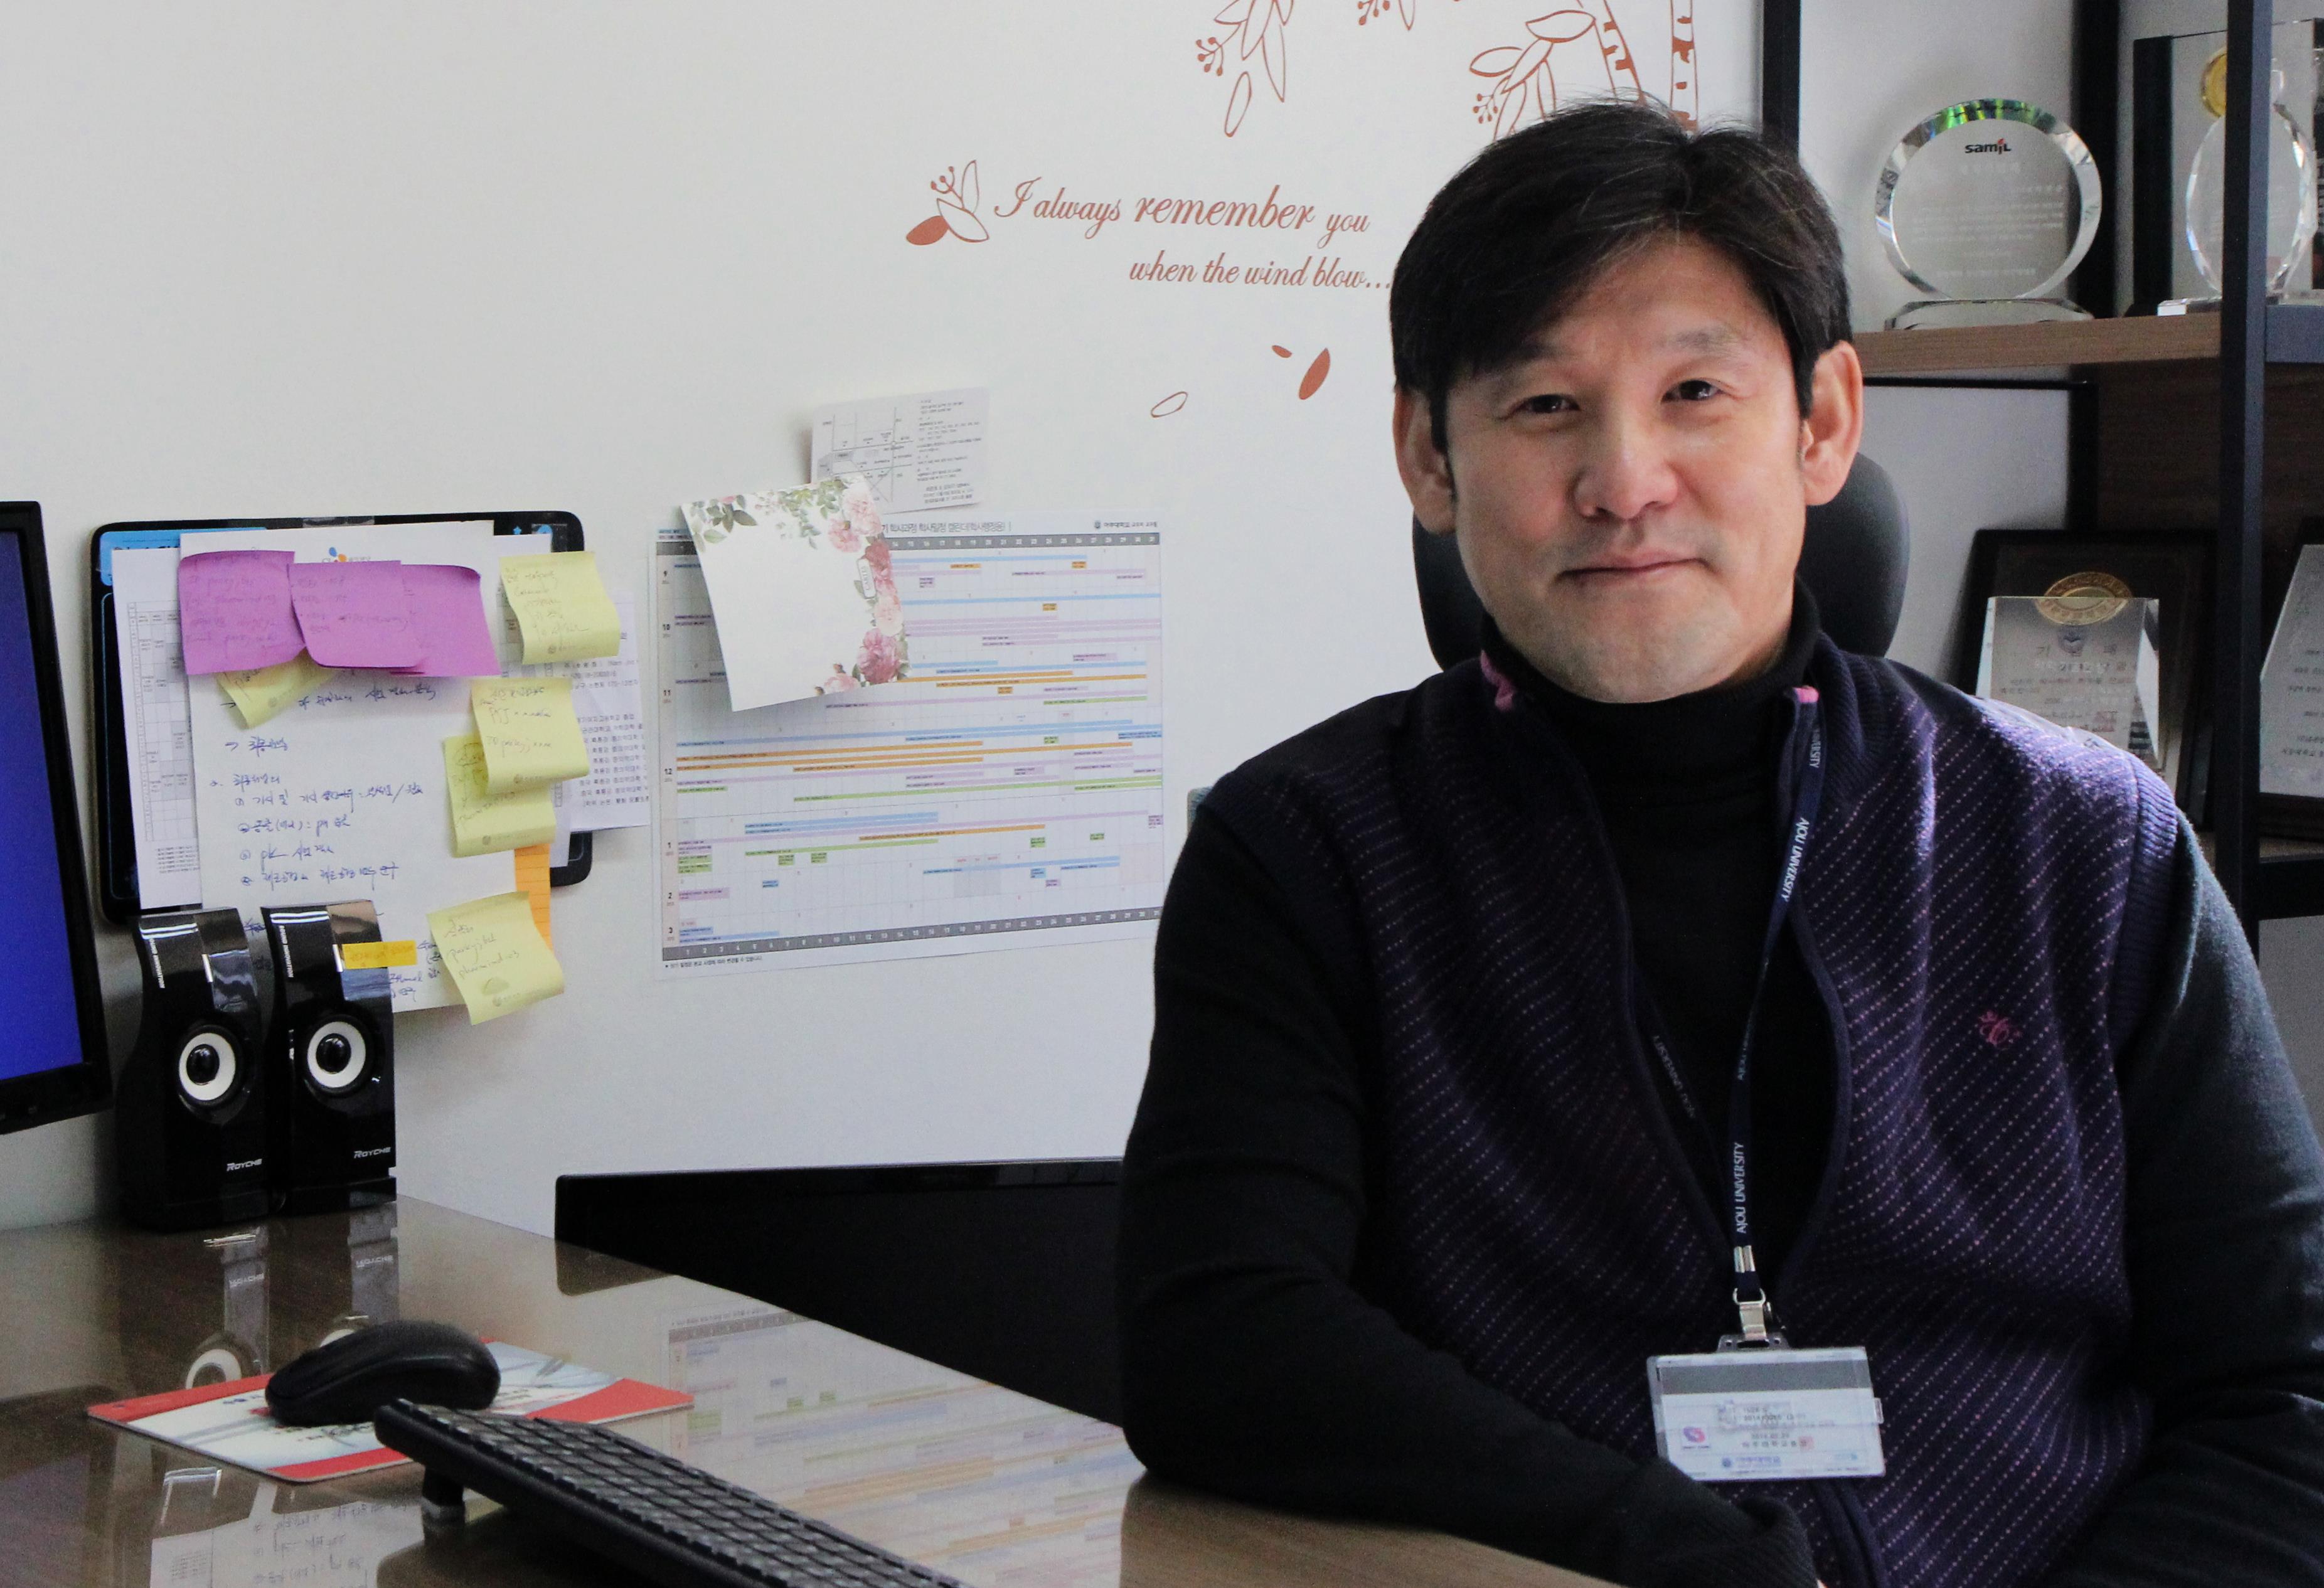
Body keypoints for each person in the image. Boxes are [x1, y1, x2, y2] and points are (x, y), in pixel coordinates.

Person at [1116, 100, 2324, 1588]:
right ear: (1428, 457)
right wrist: (1669, 1549)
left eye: (1694, 391)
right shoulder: (1309, 854)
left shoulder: (2084, 846)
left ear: (1821, 424)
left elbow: (2284, 1396)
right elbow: (1221, 1339)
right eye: (1543, 406)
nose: (1624, 481)